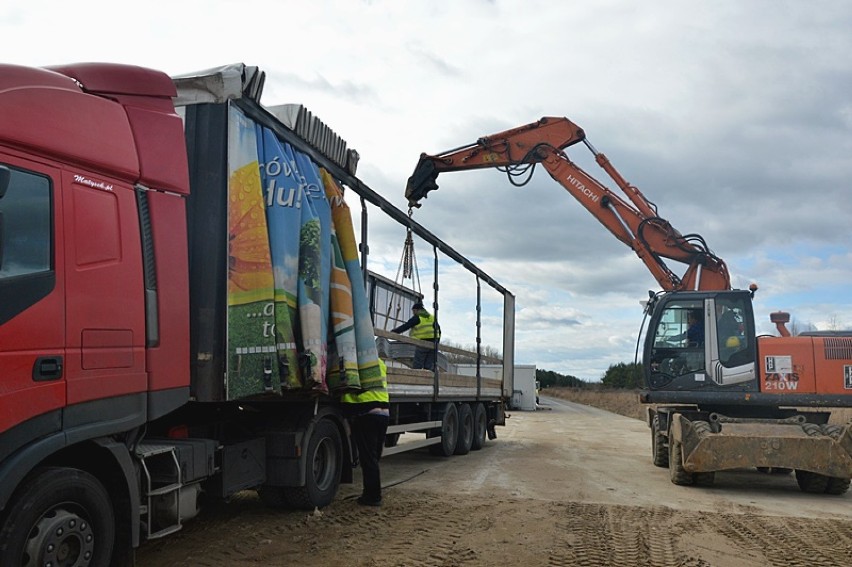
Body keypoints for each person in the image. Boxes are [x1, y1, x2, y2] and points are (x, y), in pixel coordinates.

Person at [340, 359, 390, 507]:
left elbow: (348, 387)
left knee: (368, 459)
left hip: (366, 413)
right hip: (384, 414)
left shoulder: (353, 363)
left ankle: (373, 497)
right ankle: (372, 492)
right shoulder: (379, 362)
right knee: (374, 457)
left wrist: (345, 413)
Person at [391, 301, 441, 370]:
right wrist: (437, 343)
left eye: (414, 311)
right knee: (429, 365)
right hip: (434, 343)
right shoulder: (431, 317)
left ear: (417, 310)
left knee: (418, 365)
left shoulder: (418, 317)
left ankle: (416, 379)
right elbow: (439, 330)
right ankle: (427, 380)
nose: (413, 313)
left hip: (423, 342)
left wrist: (394, 332)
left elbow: (406, 326)